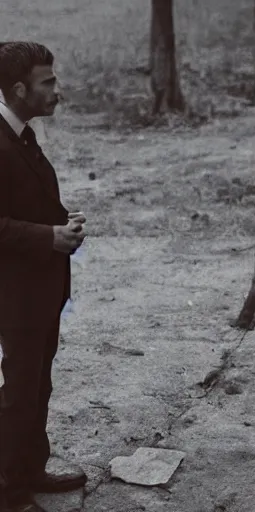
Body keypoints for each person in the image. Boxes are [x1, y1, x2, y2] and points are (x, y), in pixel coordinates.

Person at [0, 41, 88, 512]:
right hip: (13, 291)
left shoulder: (21, 133)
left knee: (37, 384)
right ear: (18, 89)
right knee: (18, 392)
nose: (57, 90)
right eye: (47, 82)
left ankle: (32, 468)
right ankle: (10, 493)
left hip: (39, 287)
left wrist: (58, 221)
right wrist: (46, 237)